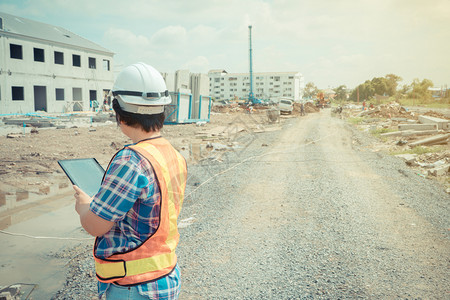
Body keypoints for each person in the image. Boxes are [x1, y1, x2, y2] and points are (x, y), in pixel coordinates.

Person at [73, 62, 187, 300]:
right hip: (165, 277)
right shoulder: (173, 154)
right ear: (163, 110)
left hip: (135, 287)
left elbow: (95, 225)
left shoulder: (131, 160)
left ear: (119, 113)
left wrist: (84, 205)